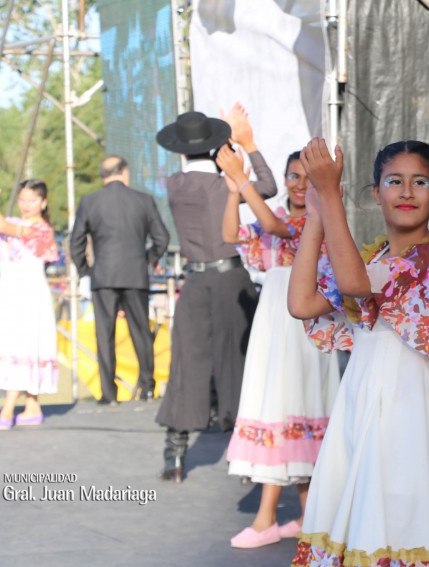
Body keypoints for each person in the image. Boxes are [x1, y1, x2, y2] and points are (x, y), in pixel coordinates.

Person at [287, 139, 429, 566]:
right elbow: (302, 304)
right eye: (393, 181)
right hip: (356, 413)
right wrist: (315, 216)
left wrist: (330, 197)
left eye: (419, 182)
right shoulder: (369, 258)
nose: (406, 192)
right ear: (375, 192)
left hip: (409, 420)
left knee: (399, 523)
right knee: (357, 526)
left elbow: (355, 287)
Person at [217, 147, 340, 548]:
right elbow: (231, 235)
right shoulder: (278, 219)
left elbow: (276, 225)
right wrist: (235, 189)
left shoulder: (317, 220)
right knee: (281, 405)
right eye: (293, 176)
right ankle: (303, 515)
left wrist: (244, 178)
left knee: (295, 405)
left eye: (306, 177)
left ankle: (269, 518)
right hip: (273, 326)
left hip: (305, 327)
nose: (299, 184)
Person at [154, 104, 279, 483]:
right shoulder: (223, 184)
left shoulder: (175, 185)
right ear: (213, 147)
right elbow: (270, 188)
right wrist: (246, 151)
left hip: (194, 283)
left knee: (187, 364)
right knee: (237, 363)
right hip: (229, 279)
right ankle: (244, 457)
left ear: (181, 150)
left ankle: (174, 455)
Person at [70, 156, 170, 404]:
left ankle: (109, 393)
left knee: (104, 334)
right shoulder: (143, 200)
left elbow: (76, 243)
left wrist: (86, 271)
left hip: (103, 275)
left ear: (104, 175)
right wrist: (147, 259)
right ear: (124, 173)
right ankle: (148, 387)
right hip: (135, 273)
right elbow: (162, 238)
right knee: (141, 332)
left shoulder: (90, 201)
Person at [0, 175, 59, 430]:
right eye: (22, 199)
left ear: (43, 202)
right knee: (12, 346)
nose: (26, 204)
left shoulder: (41, 229)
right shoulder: (13, 222)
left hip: (30, 296)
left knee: (26, 345)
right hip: (9, 294)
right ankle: (32, 405)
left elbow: (5, 228)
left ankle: (8, 410)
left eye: (32, 200)